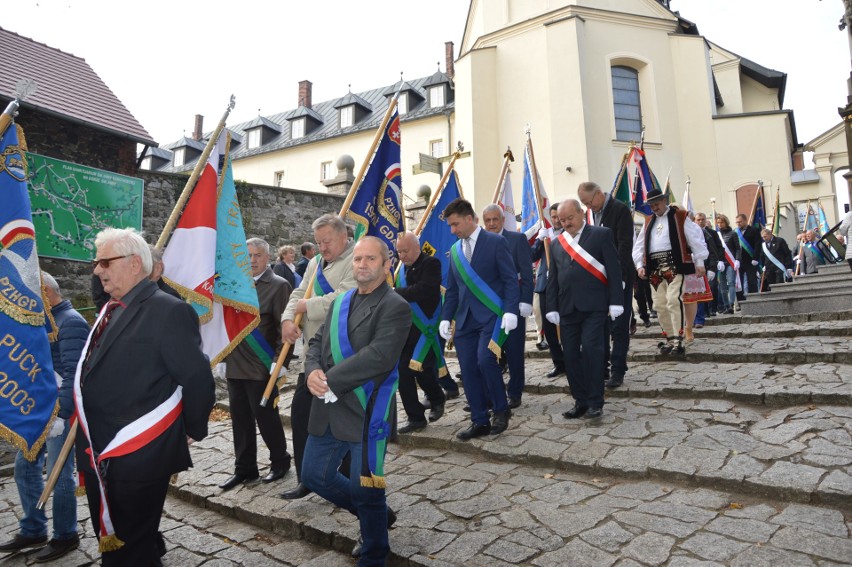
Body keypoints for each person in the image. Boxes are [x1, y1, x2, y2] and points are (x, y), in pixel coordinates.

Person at [77, 228, 215, 566]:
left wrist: (187, 429)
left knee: (131, 548)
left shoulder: (168, 311)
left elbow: (198, 380)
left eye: (105, 262)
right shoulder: (112, 308)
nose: (97, 270)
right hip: (99, 447)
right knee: (115, 542)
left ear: (135, 264)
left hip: (138, 452)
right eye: (97, 262)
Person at [302, 236, 410, 566]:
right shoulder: (340, 302)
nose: (361, 264)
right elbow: (317, 344)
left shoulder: (396, 306)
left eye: (370, 259)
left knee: (367, 488)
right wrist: (311, 372)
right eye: (358, 259)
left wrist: (329, 380)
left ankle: (375, 552)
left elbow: (378, 356)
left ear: (386, 264)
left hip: (366, 409)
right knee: (313, 476)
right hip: (328, 407)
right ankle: (376, 515)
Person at [0, 273, 89, 562]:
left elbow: (74, 375)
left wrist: (61, 415)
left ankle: (66, 534)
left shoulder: (71, 321)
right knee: (24, 468)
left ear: (47, 292)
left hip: (60, 415)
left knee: (59, 474)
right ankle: (33, 528)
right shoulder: (45, 322)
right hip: (39, 412)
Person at [279, 214, 356, 500]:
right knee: (301, 414)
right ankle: (306, 478)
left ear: (343, 237)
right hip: (314, 353)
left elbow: (345, 296)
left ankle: (345, 479)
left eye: (328, 241)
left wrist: (305, 306)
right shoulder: (315, 263)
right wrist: (288, 319)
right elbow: (299, 290)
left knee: (343, 418)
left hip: (342, 351)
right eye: (319, 242)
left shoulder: (356, 259)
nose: (322, 247)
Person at [439, 198, 519, 440]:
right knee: (468, 368)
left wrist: (511, 310)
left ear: (469, 219)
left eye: (455, 224)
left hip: (490, 315)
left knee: (485, 360)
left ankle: (501, 410)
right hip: (464, 320)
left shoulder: (496, 242)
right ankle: (479, 420)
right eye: (450, 226)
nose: (453, 230)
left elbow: (509, 280)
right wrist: (445, 318)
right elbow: (452, 290)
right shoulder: (454, 251)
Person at [219, 238, 294, 491]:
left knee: (266, 417)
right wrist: (222, 357)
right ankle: (245, 468)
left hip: (262, 365)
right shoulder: (235, 285)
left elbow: (286, 327)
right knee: (240, 419)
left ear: (268, 257)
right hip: (236, 363)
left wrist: (279, 361)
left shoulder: (278, 285)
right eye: (248, 255)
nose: (252, 260)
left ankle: (280, 462)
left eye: (258, 255)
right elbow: (227, 325)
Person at [545, 200, 622, 419]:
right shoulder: (557, 243)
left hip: (594, 306)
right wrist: (552, 306)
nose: (566, 223)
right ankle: (580, 400)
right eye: (562, 220)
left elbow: (614, 270)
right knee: (569, 355)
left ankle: (595, 402)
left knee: (592, 351)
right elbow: (554, 278)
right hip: (567, 307)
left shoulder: (601, 234)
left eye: (570, 218)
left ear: (581, 214)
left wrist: (616, 301)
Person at [633, 190, 708, 354]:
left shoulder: (680, 216)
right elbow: (639, 246)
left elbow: (694, 237)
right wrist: (639, 264)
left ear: (664, 200)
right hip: (655, 268)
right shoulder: (648, 221)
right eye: (651, 205)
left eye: (656, 204)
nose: (654, 208)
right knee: (659, 304)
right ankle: (670, 338)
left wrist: (700, 261)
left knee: (674, 300)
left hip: (675, 265)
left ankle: (679, 339)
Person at [577, 181, 635, 389]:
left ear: (599, 194)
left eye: (589, 201)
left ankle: (618, 369)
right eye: (584, 204)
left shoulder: (619, 210)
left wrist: (616, 275)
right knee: (601, 325)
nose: (587, 207)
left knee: (619, 326)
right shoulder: (591, 214)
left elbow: (624, 244)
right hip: (598, 279)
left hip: (620, 276)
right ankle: (603, 367)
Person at [393, 232, 447, 432]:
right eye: (399, 251)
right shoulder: (401, 270)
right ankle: (415, 417)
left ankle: (437, 398)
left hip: (427, 328)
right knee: (403, 373)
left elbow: (423, 290)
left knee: (423, 372)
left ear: (417, 247)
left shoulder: (431, 264)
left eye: (405, 250)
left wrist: (395, 293)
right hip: (406, 328)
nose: (402, 255)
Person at [481, 204, 533, 408]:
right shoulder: (481, 243)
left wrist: (526, 300)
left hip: (514, 304)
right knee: (489, 352)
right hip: (489, 306)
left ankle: (515, 391)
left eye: (495, 219)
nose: (492, 224)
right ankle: (491, 393)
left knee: (514, 350)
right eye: (488, 220)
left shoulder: (517, 239)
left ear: (503, 220)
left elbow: (527, 273)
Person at [532, 203, 565, 378]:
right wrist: (539, 241)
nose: (556, 220)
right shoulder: (545, 235)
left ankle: (572, 359)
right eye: (552, 217)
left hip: (564, 285)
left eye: (558, 216)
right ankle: (558, 363)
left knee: (566, 325)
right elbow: (532, 256)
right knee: (549, 327)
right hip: (545, 285)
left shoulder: (570, 233)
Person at [681, 213, 714, 343]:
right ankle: (676, 328)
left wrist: (701, 263)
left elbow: (699, 245)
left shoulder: (693, 227)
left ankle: (688, 327)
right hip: (670, 265)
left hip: (689, 263)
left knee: (690, 298)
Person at [694, 212, 722, 320]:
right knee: (700, 289)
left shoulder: (711, 233)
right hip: (698, 265)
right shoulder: (692, 233)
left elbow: (715, 249)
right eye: (698, 220)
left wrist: (715, 265)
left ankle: (712, 309)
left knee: (712, 287)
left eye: (702, 219)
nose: (700, 221)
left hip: (710, 264)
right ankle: (704, 311)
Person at [715, 214, 740, 314]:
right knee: (722, 285)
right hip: (721, 262)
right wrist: (717, 261)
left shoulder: (733, 233)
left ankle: (731, 304)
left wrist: (738, 259)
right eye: (718, 223)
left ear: (726, 222)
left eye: (722, 222)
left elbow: (738, 248)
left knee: (731, 283)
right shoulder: (716, 235)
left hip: (730, 262)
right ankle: (726, 305)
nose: (720, 224)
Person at [735, 213, 762, 298]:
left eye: (740, 222)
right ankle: (740, 301)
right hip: (739, 261)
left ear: (745, 220)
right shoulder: (735, 232)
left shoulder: (754, 230)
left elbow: (758, 245)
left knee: (752, 280)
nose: (738, 224)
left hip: (750, 260)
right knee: (739, 282)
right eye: (737, 222)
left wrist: (755, 258)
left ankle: (753, 298)